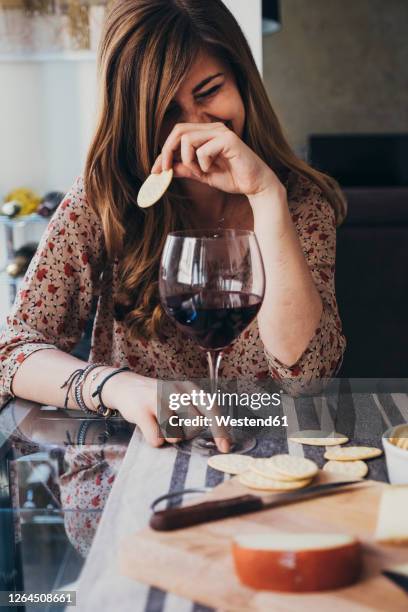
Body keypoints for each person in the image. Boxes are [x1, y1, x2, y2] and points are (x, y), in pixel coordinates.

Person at [0, 0, 346, 452]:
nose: (195, 127)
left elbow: (308, 380)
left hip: (265, 455)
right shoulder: (104, 196)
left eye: (209, 91)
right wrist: (117, 387)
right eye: (166, 112)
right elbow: (12, 352)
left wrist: (266, 197)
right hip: (132, 454)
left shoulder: (297, 199)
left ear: (241, 80)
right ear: (133, 119)